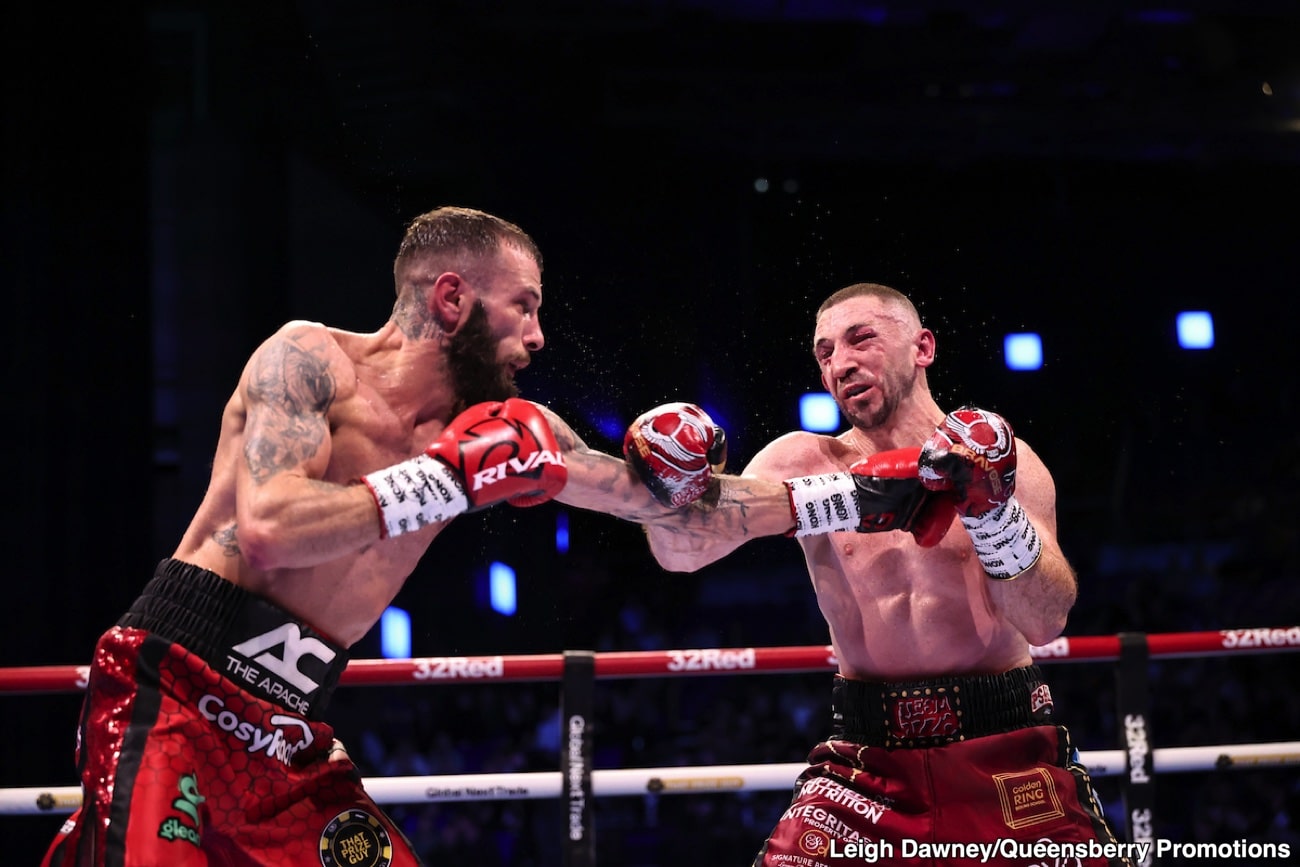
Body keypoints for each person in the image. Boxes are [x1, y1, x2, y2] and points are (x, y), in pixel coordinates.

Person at [40, 206, 677, 867]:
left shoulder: (508, 432)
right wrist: (440, 482)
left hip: (286, 737)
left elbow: (653, 504)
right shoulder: (311, 360)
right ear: (453, 296)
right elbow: (269, 530)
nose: (539, 336)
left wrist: (727, 481)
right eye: (524, 305)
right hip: (172, 690)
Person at [626, 283, 1136, 867]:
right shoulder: (798, 462)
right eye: (824, 353)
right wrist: (667, 482)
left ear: (923, 347)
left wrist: (994, 513)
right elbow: (680, 554)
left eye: (860, 339)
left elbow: (1046, 620)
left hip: (1006, 750)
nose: (840, 363)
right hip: (866, 767)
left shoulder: (1005, 459)